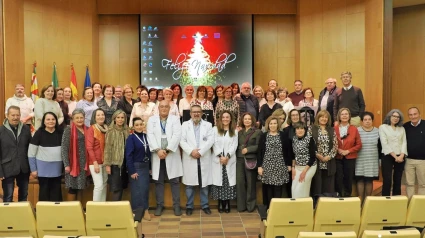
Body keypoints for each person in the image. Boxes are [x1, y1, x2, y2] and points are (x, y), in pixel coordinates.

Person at [147, 100, 183, 216]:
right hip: (157, 154)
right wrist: (158, 150)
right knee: (159, 181)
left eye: (166, 107)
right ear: (158, 108)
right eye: (161, 106)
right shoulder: (152, 120)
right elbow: (150, 135)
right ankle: (159, 205)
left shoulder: (175, 119)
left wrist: (167, 150)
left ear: (169, 108)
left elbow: (177, 135)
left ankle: (176, 205)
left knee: (175, 181)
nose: (163, 108)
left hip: (171, 154)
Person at [180, 105, 214, 216]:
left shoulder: (208, 125)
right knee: (190, 185)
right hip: (190, 157)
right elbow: (181, 141)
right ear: (190, 113)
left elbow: (210, 141)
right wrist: (191, 151)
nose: (196, 114)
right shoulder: (185, 125)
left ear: (202, 113)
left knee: (204, 184)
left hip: (203, 157)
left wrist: (200, 152)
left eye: (198, 112)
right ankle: (189, 206)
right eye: (194, 112)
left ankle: (205, 205)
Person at [28, 112, 63, 201]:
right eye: (48, 119)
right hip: (43, 170)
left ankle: (56, 214)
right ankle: (44, 214)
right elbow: (31, 153)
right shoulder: (39, 133)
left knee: (56, 194)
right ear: (44, 121)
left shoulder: (61, 133)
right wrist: (33, 169)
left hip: (57, 170)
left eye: (53, 119)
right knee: (44, 194)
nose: (51, 121)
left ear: (56, 121)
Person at [0, 106, 32, 202]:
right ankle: (8, 217)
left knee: (24, 195)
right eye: (13, 115)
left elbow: (30, 149)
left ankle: (21, 217)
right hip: (7, 168)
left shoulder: (26, 129)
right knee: (8, 196)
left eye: (17, 115)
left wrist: (31, 167)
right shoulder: (1, 130)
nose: (15, 117)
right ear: (7, 116)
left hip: (23, 167)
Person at [258, 116, 290, 208]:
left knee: (278, 188)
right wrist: (259, 166)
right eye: (271, 123)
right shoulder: (264, 136)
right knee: (268, 188)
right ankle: (268, 208)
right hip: (267, 165)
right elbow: (259, 152)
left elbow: (287, 151)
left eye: (275, 123)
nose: (273, 125)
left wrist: (288, 164)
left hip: (280, 165)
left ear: (278, 124)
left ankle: (276, 209)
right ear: (268, 125)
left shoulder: (283, 135)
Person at [211, 111, 238, 213]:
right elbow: (213, 144)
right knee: (219, 182)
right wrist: (220, 156)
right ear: (220, 119)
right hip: (218, 160)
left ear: (230, 119)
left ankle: (227, 203)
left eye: (227, 117)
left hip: (229, 160)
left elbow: (234, 145)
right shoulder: (215, 130)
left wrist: (227, 157)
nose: (225, 119)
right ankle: (220, 202)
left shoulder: (234, 131)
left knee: (227, 182)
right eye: (223, 117)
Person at [126, 117, 151, 220]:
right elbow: (128, 155)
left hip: (145, 166)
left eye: (141, 124)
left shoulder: (146, 136)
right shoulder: (131, 138)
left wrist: (150, 167)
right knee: (137, 190)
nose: (139, 126)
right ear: (133, 127)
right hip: (136, 167)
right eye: (137, 125)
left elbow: (149, 153)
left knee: (144, 189)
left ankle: (143, 210)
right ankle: (140, 211)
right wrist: (132, 171)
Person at [61, 109, 89, 201]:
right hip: (73, 164)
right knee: (72, 188)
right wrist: (66, 165)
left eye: (81, 117)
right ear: (72, 119)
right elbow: (64, 148)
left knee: (81, 187)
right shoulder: (68, 130)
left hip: (84, 164)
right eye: (77, 118)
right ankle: (70, 211)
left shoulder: (88, 129)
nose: (79, 120)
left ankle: (79, 211)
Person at [334, 108, 362, 197]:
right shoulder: (334, 129)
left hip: (350, 158)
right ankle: (338, 197)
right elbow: (331, 143)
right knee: (338, 179)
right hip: (337, 157)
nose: (345, 116)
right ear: (339, 116)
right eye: (342, 114)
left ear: (349, 116)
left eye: (346, 114)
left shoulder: (354, 129)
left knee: (348, 179)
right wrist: (338, 149)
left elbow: (359, 145)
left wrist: (348, 151)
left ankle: (347, 198)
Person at [236, 112, 261, 212]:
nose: (247, 121)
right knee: (240, 183)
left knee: (251, 184)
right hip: (239, 159)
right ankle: (241, 206)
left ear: (252, 121)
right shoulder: (239, 132)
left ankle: (250, 206)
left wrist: (249, 149)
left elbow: (259, 146)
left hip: (251, 160)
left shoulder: (257, 132)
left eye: (249, 119)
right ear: (242, 120)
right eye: (245, 119)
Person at [379, 109, 407, 196]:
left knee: (398, 179)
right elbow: (384, 143)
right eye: (394, 116)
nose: (396, 118)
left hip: (400, 156)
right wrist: (395, 157)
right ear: (389, 116)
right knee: (387, 179)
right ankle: (385, 200)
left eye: (398, 117)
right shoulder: (382, 127)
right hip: (388, 155)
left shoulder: (401, 128)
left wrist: (402, 155)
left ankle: (397, 199)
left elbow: (404, 142)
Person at [310, 110, 338, 196]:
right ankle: (316, 204)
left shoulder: (331, 130)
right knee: (317, 184)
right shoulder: (312, 129)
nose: (324, 119)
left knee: (328, 185)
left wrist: (328, 157)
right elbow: (309, 144)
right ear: (318, 118)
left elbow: (335, 145)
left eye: (326, 117)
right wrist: (317, 155)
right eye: (322, 116)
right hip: (316, 160)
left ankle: (327, 204)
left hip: (328, 161)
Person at [104, 110, 129, 201]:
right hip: (115, 163)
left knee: (121, 186)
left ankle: (118, 208)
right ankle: (114, 210)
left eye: (122, 117)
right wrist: (107, 164)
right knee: (116, 188)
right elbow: (107, 149)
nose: (120, 120)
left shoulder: (127, 130)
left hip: (125, 163)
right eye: (118, 117)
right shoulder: (110, 131)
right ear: (114, 119)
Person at [356, 112, 380, 204]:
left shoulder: (377, 131)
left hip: (372, 160)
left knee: (369, 180)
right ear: (362, 121)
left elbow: (380, 147)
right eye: (365, 120)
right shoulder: (357, 130)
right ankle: (360, 201)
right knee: (360, 180)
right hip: (360, 159)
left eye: (369, 119)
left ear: (372, 121)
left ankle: (368, 202)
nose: (367, 121)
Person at [86, 108, 108, 202]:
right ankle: (94, 209)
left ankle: (101, 207)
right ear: (94, 117)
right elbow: (89, 147)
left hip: (105, 161)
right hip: (95, 162)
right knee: (98, 185)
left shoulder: (106, 128)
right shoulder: (92, 129)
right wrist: (95, 163)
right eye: (98, 115)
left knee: (104, 184)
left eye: (102, 114)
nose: (101, 116)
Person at [291, 122, 317, 198]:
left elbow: (313, 157)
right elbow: (293, 155)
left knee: (300, 188)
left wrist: (304, 172)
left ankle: (304, 207)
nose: (300, 130)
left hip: (309, 167)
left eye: (302, 128)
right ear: (295, 130)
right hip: (297, 167)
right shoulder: (294, 139)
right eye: (298, 128)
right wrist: (293, 168)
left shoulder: (310, 139)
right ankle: (297, 208)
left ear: (305, 130)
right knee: (294, 189)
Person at [404, 107, 425, 199]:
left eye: (415, 114)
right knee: (409, 184)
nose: (413, 116)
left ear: (419, 114)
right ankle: (410, 204)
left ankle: (421, 204)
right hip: (409, 160)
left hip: (423, 161)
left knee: (423, 184)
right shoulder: (405, 126)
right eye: (411, 115)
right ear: (408, 116)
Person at [282, 109, 301, 197]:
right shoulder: (286, 130)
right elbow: (285, 148)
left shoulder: (305, 128)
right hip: (290, 159)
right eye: (293, 115)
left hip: (301, 159)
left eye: (296, 115)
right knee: (290, 182)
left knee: (300, 182)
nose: (295, 117)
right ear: (290, 117)